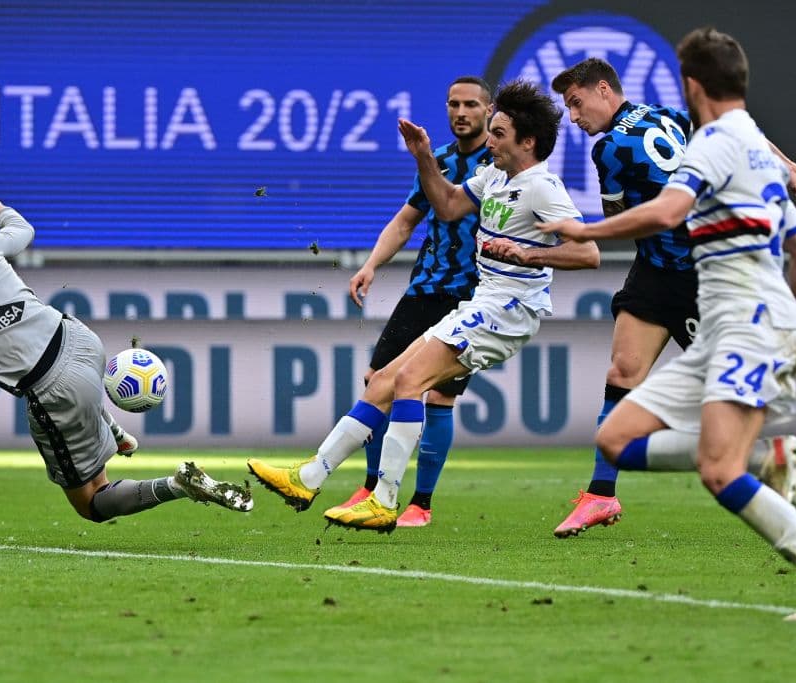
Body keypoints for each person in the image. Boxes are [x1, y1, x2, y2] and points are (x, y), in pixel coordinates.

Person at [537, 27, 796, 620]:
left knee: (715, 465)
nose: (573, 117)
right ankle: (756, 462)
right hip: (720, 295)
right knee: (616, 433)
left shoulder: (664, 145)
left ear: (694, 84)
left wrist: (584, 230)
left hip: (714, 295)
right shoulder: (717, 133)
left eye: (576, 103)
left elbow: (660, 212)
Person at [248, 80, 600, 532]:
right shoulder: (494, 175)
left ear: (527, 142)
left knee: (413, 381)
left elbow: (587, 253)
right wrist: (423, 157)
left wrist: (532, 254)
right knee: (385, 381)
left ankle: (386, 498)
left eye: (499, 134)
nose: (489, 141)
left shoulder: (541, 187)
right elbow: (451, 205)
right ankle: (309, 477)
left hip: (508, 310)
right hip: (482, 303)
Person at [0, 156, 253, 522]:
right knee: (75, 392)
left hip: (53, 388)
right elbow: (22, 231)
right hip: (78, 338)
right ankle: (111, 432)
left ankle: (177, 484)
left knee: (92, 502)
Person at [332, 76, 493, 528]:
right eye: (453, 105)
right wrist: (371, 265)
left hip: (473, 293)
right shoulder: (437, 159)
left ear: (489, 110)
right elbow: (405, 222)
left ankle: (420, 503)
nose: (460, 113)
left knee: (439, 394)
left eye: (470, 105)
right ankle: (369, 487)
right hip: (424, 287)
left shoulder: (498, 164)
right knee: (377, 380)